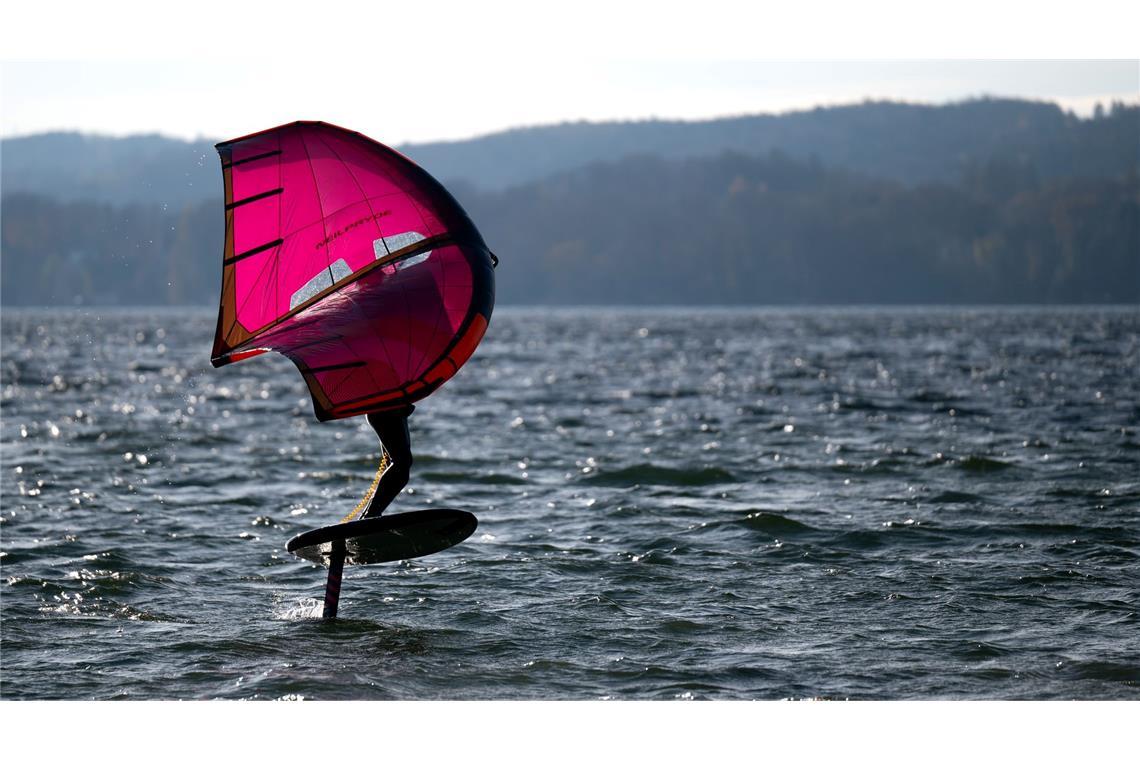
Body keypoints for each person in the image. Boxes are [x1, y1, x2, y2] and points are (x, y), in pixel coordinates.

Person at [360, 405, 415, 519]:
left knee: (399, 465)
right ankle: (371, 515)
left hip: (393, 411)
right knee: (402, 464)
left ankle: (369, 515)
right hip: (385, 411)